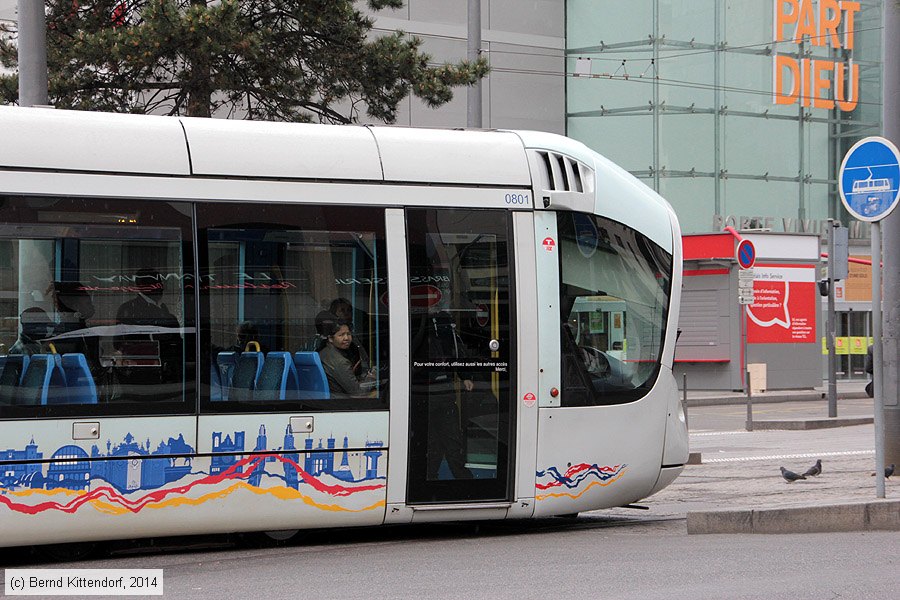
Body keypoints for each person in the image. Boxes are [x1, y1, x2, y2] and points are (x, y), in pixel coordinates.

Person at [411, 308, 474, 480]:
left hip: (430, 392)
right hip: (433, 392)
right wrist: (465, 376)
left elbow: (455, 352)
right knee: (442, 442)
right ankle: (457, 482)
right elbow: (456, 352)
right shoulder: (428, 323)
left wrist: (465, 375)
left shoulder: (437, 323)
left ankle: (432, 479)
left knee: (440, 442)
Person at [317, 320, 373, 397]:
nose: (346, 338)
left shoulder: (324, 352)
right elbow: (358, 393)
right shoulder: (339, 361)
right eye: (341, 335)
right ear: (330, 338)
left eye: (348, 334)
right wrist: (372, 378)